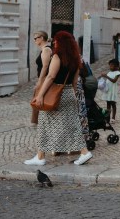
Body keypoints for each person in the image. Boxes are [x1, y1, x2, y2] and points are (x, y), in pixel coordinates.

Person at [25, 31, 93, 166]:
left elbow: (51, 77)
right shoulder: (76, 59)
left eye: (56, 41)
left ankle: (40, 157)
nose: (54, 43)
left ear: (61, 43)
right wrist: (73, 97)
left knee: (44, 122)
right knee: (73, 125)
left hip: (56, 94)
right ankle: (84, 152)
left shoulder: (57, 57)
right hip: (68, 94)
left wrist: (40, 94)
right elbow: (74, 82)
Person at [31, 31, 52, 126]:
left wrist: (40, 81)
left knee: (38, 99)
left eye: (36, 38)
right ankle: (36, 121)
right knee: (37, 98)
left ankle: (36, 122)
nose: (34, 40)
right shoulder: (44, 49)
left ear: (42, 38)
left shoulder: (46, 50)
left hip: (44, 78)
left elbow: (45, 66)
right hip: (43, 78)